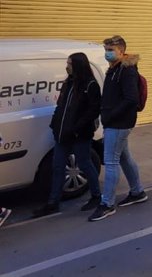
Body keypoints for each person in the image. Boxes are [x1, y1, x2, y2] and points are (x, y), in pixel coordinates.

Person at [33, 53, 102, 218]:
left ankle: (96, 196)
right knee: (57, 167)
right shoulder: (68, 83)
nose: (67, 66)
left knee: (84, 164)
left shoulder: (90, 85)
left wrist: (77, 127)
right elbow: (61, 105)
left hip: (80, 134)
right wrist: (55, 124)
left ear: (78, 65)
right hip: (62, 133)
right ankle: (53, 202)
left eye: (69, 63)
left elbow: (93, 110)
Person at [89, 35, 146, 222]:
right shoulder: (114, 69)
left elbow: (131, 99)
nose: (107, 53)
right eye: (106, 49)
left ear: (121, 51)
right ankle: (137, 192)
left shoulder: (126, 70)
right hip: (115, 121)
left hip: (119, 123)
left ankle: (107, 204)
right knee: (124, 157)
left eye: (110, 50)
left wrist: (110, 115)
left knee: (111, 161)